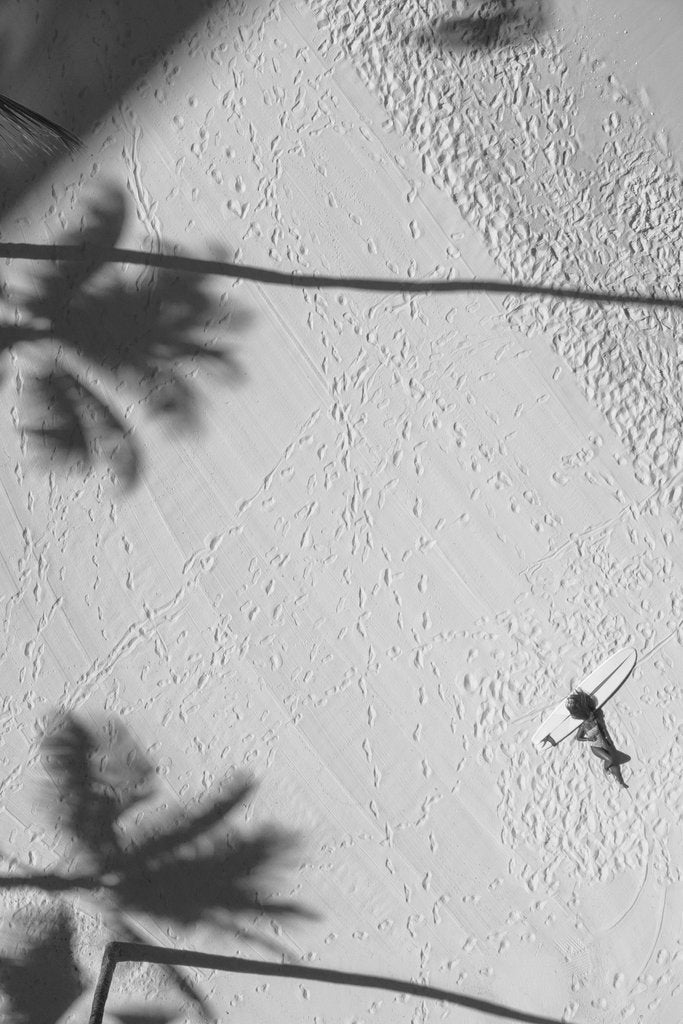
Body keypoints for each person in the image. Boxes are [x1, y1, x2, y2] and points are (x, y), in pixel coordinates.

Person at [565, 689, 630, 788]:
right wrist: (588, 739)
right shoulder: (583, 726)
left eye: (592, 714)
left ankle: (620, 782)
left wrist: (608, 739)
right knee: (611, 759)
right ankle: (605, 769)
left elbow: (603, 730)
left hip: (604, 743)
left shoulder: (596, 721)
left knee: (615, 766)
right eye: (591, 715)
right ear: (585, 715)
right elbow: (578, 738)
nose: (593, 715)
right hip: (596, 747)